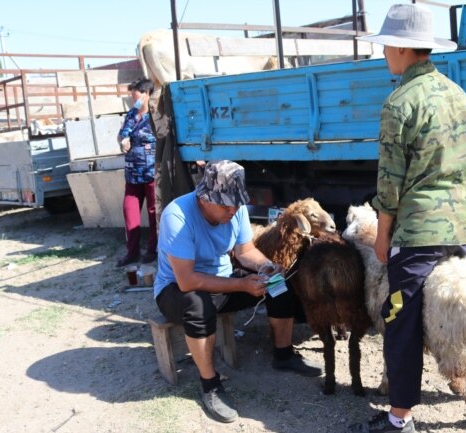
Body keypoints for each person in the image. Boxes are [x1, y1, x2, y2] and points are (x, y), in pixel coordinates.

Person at [348, 4, 466, 433]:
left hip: (419, 233)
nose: (384, 52)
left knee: (399, 317)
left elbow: (389, 185)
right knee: (462, 313)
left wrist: (382, 237)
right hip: (461, 229)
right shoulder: (459, 95)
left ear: (403, 47)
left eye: (387, 44)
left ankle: (399, 416)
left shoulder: (399, 103)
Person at [154, 160, 323, 424]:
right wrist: (242, 285)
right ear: (204, 197)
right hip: (175, 289)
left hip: (222, 280)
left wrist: (266, 266)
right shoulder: (177, 216)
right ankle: (209, 384)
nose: (232, 210)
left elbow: (245, 252)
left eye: (236, 203)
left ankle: (284, 354)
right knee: (197, 305)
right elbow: (187, 280)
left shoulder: (236, 209)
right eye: (225, 205)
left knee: (280, 284)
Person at [116, 78, 158, 267]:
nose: (134, 101)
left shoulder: (156, 115)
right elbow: (122, 133)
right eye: (132, 96)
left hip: (150, 171)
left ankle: (152, 250)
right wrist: (123, 140)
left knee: (152, 212)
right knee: (129, 211)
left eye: (136, 96)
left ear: (146, 94)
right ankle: (131, 252)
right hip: (132, 173)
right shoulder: (132, 114)